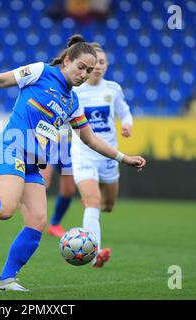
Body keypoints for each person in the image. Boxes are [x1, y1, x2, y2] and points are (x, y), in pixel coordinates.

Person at [0, 35, 146, 292]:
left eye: (89, 71)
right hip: (9, 149)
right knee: (4, 209)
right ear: (67, 60)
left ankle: (6, 280)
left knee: (37, 220)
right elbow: (1, 79)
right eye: (81, 67)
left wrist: (123, 158)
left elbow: (89, 139)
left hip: (33, 162)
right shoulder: (40, 71)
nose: (84, 74)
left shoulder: (72, 102)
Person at [71, 43, 134, 268]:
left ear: (106, 66)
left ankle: (91, 206)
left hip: (109, 156)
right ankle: (93, 254)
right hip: (83, 155)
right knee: (93, 202)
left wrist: (127, 124)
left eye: (102, 62)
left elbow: (125, 112)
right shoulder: (75, 90)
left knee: (107, 205)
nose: (98, 66)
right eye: (94, 62)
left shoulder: (113, 89)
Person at [40, 123, 77, 238]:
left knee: (69, 190)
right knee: (42, 183)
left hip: (67, 143)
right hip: (49, 141)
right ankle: (32, 223)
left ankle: (54, 224)